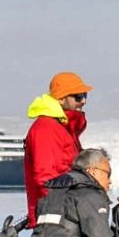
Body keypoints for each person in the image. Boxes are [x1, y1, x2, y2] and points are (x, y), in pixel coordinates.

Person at [23, 71, 92, 226]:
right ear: (61, 99)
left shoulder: (64, 128)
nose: (84, 101)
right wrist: (67, 213)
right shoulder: (46, 128)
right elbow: (45, 179)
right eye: (78, 96)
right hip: (56, 220)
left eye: (85, 95)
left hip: (68, 216)